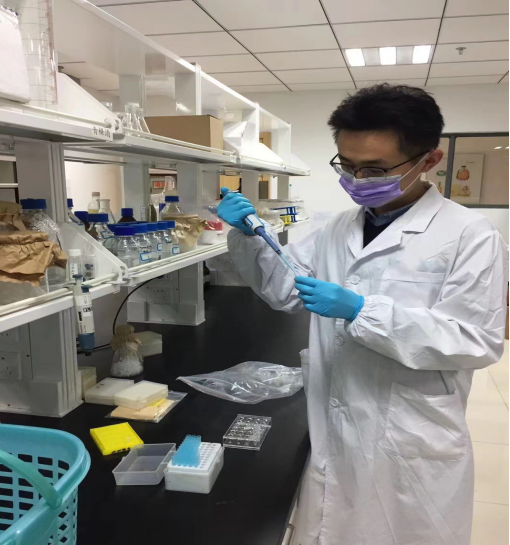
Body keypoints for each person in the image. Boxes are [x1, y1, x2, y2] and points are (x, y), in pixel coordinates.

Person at [217, 84, 508, 545]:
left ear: (429, 160)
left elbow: (476, 340)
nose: (357, 179)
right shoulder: (337, 227)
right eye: (347, 165)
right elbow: (283, 289)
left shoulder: (470, 235)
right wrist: (248, 236)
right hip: (335, 419)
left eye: (374, 169)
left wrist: (362, 311)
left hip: (411, 434)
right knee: (331, 524)